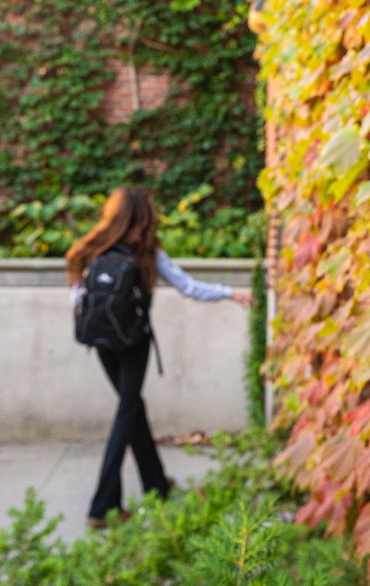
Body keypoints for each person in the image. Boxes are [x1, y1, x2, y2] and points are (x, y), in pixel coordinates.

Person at [66, 187, 253, 528]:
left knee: (132, 407)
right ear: (144, 218)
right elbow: (188, 287)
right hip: (133, 341)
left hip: (101, 341)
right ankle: (103, 505)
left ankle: (155, 482)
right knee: (127, 411)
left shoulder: (89, 249)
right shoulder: (146, 252)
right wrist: (231, 293)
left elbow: (77, 299)